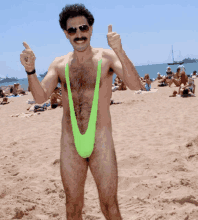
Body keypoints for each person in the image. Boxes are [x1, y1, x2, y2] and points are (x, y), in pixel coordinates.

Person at [20, 4, 144, 219]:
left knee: (109, 205)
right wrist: (30, 70)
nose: (79, 34)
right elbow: (40, 97)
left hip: (101, 141)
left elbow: (135, 85)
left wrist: (119, 50)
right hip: (70, 144)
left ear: (91, 29)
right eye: (72, 30)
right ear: (65, 34)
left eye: (83, 28)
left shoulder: (107, 58)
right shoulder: (59, 64)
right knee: (73, 206)